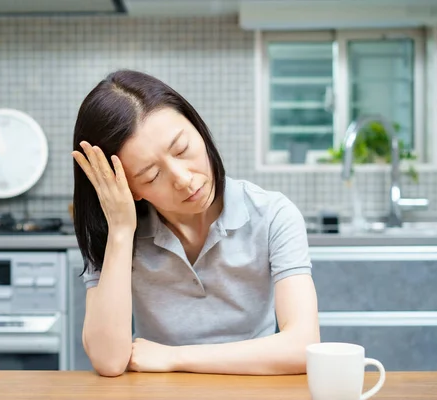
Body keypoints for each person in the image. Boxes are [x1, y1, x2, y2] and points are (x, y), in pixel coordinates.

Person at [71, 69, 320, 377]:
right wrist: (121, 232)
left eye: (183, 149)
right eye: (151, 176)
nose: (184, 180)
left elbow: (303, 346)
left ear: (198, 127)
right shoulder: (114, 230)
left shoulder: (273, 214)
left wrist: (175, 358)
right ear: (127, 188)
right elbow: (108, 361)